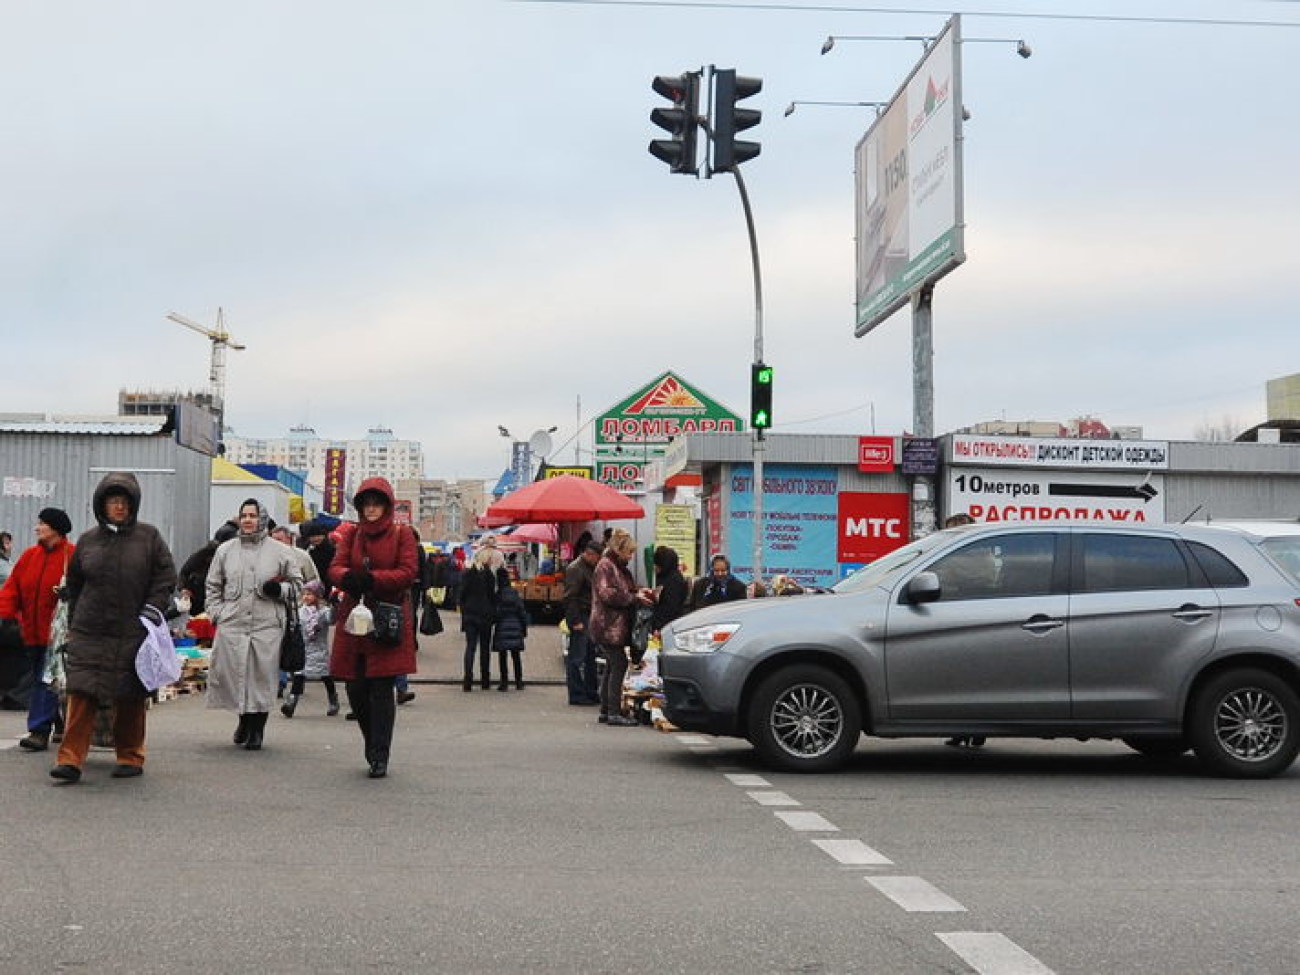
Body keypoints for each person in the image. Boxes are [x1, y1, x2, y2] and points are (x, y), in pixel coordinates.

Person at [51, 473, 176, 783]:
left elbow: (165, 578)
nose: (119, 507)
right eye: (112, 501)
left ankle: (131, 755)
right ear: (102, 505)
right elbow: (76, 583)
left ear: (132, 505)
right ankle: (70, 760)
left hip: (132, 629)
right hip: (90, 630)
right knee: (81, 695)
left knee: (130, 696)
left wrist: (152, 609)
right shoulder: (88, 540)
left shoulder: (149, 538)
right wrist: (74, 620)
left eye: (124, 502)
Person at [328, 478, 419, 779]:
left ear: (387, 505)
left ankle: (380, 754)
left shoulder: (401, 534)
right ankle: (372, 741)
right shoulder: (352, 534)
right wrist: (348, 578)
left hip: (386, 618)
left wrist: (373, 580)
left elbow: (408, 572)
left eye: (376, 503)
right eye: (366, 503)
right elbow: (335, 567)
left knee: (381, 690)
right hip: (355, 619)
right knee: (355, 689)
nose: (371, 509)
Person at [206, 499, 303, 751]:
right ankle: (243, 721)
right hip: (233, 623)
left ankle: (257, 728)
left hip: (266, 626)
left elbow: (299, 588)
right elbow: (213, 586)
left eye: (253, 515)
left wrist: (279, 589)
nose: (248, 520)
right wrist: (217, 613)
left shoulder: (281, 551)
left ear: (262, 518)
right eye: (244, 515)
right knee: (236, 676)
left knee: (261, 678)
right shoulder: (225, 550)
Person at [0, 508, 75, 751]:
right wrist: (7, 615)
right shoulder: (29, 557)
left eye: (42, 524)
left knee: (46, 679)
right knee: (44, 679)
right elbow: (12, 589)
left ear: (55, 528)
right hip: (30, 632)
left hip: (58, 635)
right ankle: (58, 720)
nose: (37, 528)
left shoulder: (72, 557)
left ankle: (39, 730)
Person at [589, 529, 653, 727]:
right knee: (619, 665)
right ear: (619, 549)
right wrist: (634, 598)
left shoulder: (616, 566)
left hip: (612, 625)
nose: (631, 556)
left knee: (612, 666)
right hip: (607, 625)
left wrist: (640, 591)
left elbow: (624, 588)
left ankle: (606, 710)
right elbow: (607, 594)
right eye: (629, 552)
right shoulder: (606, 565)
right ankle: (613, 712)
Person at [281, 580, 338, 717]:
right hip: (303, 649)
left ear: (318, 596)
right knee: (299, 675)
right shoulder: (300, 611)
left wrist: (335, 607)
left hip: (319, 649)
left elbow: (332, 620)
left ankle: (333, 699)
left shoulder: (324, 612)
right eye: (304, 594)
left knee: (326, 676)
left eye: (310, 594)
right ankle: (291, 702)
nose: (306, 597)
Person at [562, 541, 602, 705]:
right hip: (581, 616)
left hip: (589, 615)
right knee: (577, 657)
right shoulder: (576, 569)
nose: (598, 561)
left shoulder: (587, 567)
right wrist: (575, 621)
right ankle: (577, 694)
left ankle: (590, 692)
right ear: (589, 554)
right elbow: (570, 597)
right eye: (597, 558)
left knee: (590, 656)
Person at [458, 543, 502, 692]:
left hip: (470, 614)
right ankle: (485, 680)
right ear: (485, 559)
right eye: (489, 558)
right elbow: (492, 596)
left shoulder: (467, 573)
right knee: (484, 648)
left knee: (470, 647)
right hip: (485, 615)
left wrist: (464, 609)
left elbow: (461, 594)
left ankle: (467, 680)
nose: (491, 561)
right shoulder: (489, 575)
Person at [177, 521, 239, 617]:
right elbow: (184, 572)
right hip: (200, 601)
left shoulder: (235, 557)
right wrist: (184, 589)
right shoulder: (205, 554)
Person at [492, 568, 528, 690]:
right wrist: (524, 628)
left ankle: (504, 682)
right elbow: (522, 612)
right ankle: (519, 682)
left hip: (502, 626)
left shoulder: (498, 595)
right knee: (516, 655)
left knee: (503, 656)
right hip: (515, 625)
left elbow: (495, 613)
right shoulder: (514, 593)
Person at [648, 545, 688, 644]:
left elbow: (670, 607)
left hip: (668, 627)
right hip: (664, 626)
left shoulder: (673, 581)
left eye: (657, 564)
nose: (654, 567)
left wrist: (659, 627)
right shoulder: (665, 577)